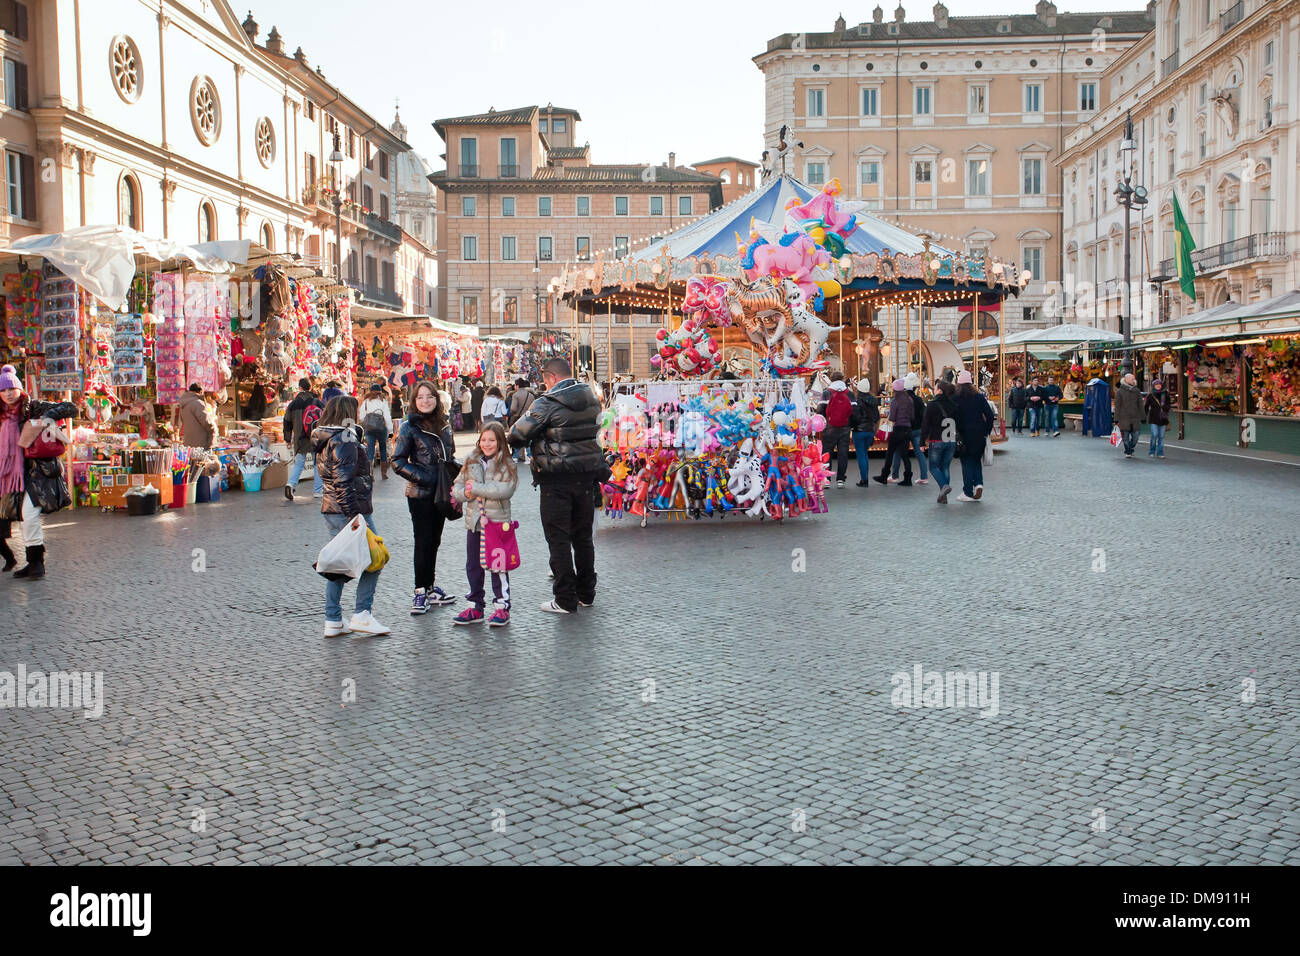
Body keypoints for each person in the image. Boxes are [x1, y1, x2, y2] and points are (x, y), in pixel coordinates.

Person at [508, 357, 605, 615]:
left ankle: (564, 599)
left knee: (558, 539)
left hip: (555, 480)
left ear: (550, 378)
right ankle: (586, 593)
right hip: (586, 478)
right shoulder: (592, 398)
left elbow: (517, 435)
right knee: (583, 538)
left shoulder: (547, 403)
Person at [313, 395, 388, 636]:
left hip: (333, 509)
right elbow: (343, 482)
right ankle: (362, 614)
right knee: (375, 558)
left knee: (340, 563)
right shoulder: (345, 439)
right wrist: (355, 516)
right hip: (350, 510)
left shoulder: (328, 438)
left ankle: (333, 619)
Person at [392, 380, 458, 614]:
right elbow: (397, 461)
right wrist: (425, 477)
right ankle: (420, 591)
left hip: (441, 492)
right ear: (414, 401)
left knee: (435, 541)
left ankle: (430, 587)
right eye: (420, 397)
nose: (425, 401)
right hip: (420, 493)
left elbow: (449, 455)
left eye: (429, 396)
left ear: (436, 399)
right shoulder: (409, 427)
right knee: (423, 541)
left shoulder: (444, 424)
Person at [2, 366, 71, 579]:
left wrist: (47, 416)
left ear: (20, 389)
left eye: (12, 388)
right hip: (8, 476)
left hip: (35, 473)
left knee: (30, 516)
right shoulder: (2, 415)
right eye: (3, 390)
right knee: (23, 517)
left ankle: (36, 563)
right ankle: (31, 562)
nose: (8, 393)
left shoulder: (34, 407)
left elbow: (70, 408)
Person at [450, 422, 519, 627]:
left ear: (500, 442)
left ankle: (502, 606)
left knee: (498, 566)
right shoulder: (471, 460)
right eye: (484, 439)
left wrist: (476, 488)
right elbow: (457, 487)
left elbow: (504, 490)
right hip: (475, 523)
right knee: (473, 565)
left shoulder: (507, 464)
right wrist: (465, 493)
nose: (487, 443)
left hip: (497, 525)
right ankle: (475, 605)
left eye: (492, 440)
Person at [953, 371, 995, 502]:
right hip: (979, 433)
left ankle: (967, 492)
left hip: (963, 434)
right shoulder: (979, 397)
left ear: (958, 383)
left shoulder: (955, 398)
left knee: (966, 462)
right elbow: (989, 415)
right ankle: (978, 484)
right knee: (976, 459)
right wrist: (986, 431)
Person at [283, 378, 324, 501]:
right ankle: (318, 490)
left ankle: (291, 484)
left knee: (299, 463)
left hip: (299, 439)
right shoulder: (317, 402)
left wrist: (287, 438)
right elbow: (325, 419)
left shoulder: (293, 404)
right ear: (310, 388)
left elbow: (287, 422)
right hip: (315, 437)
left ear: (300, 388)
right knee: (317, 463)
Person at [921, 380, 959, 504]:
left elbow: (926, 424)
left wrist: (922, 442)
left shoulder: (932, 405)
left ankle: (944, 486)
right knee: (945, 467)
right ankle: (943, 496)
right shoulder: (953, 404)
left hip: (937, 439)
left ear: (940, 390)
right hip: (951, 440)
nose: (934, 390)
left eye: (936, 388)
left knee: (933, 466)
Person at [874, 379, 915, 486]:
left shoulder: (895, 401)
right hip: (907, 429)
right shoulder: (909, 399)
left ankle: (884, 475)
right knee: (905, 455)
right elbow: (912, 416)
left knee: (890, 453)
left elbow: (892, 417)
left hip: (898, 429)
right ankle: (908, 477)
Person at [890, 373, 930, 485]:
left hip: (905, 428)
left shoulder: (901, 400)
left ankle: (895, 475)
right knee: (919, 453)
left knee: (897, 452)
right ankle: (924, 476)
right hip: (917, 429)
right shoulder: (919, 399)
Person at [817, 372, 854, 488]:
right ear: (842, 379)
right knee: (843, 453)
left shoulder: (827, 392)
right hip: (845, 427)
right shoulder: (850, 393)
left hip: (829, 427)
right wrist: (850, 424)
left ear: (831, 379)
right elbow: (855, 411)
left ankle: (826, 479)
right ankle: (840, 480)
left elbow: (820, 410)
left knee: (827, 453)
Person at [359, 382, 394, 480]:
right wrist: (390, 430)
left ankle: (370, 474)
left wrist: (367, 420)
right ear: (380, 391)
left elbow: (361, 417)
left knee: (370, 449)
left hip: (369, 428)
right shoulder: (383, 401)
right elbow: (387, 417)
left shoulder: (366, 401)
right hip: (381, 428)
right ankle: (384, 474)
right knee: (383, 449)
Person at [850, 378, 880, 487]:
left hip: (859, 431)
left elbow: (854, 417)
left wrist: (852, 426)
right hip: (869, 431)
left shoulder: (857, 401)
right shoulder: (873, 401)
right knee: (865, 454)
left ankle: (864, 479)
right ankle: (865, 477)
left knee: (861, 455)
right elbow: (877, 417)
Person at [507, 377, 537, 463]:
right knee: (528, 437)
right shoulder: (530, 395)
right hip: (528, 418)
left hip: (518, 418)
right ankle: (529, 455)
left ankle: (515, 456)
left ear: (517, 386)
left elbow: (513, 408)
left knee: (517, 436)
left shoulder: (516, 395)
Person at [1114, 372, 1144, 459]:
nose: (1134, 380)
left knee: (1136, 437)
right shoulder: (1120, 392)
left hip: (1135, 418)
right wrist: (1116, 419)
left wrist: (1143, 417)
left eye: (1134, 379)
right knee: (1126, 438)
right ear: (1126, 380)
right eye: (1132, 379)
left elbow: (1140, 405)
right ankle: (1128, 451)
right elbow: (1117, 406)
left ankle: (1130, 448)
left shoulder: (1137, 391)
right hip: (1124, 418)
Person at [177, 383, 215, 449]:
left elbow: (182, 421)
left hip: (188, 442)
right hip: (200, 443)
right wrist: (213, 431)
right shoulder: (197, 403)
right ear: (200, 391)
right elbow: (207, 422)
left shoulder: (183, 404)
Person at [1144, 378, 1171, 459]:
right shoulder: (1151, 395)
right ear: (1154, 386)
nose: (1158, 386)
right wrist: (1144, 416)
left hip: (1163, 418)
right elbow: (1146, 407)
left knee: (1161, 436)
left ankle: (1160, 452)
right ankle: (1152, 451)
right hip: (1153, 418)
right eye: (1156, 384)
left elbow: (1169, 404)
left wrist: (1165, 407)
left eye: (1159, 384)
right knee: (1155, 434)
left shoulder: (1165, 394)